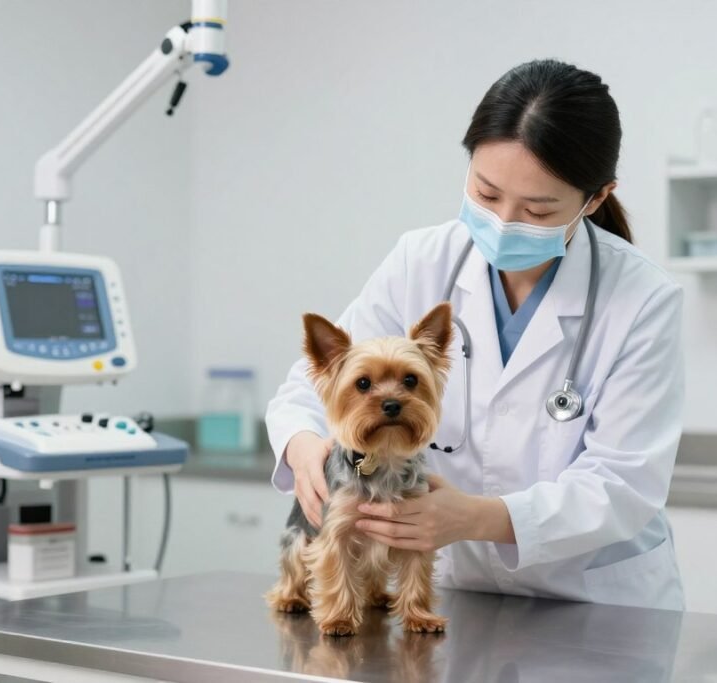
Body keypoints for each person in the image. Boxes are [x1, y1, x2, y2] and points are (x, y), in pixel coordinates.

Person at [266, 59, 685, 610]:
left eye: (538, 209)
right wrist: (302, 448)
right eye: (487, 194)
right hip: (459, 598)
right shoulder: (422, 260)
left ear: (596, 198)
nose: (506, 221)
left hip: (593, 602)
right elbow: (309, 386)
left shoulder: (642, 299)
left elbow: (623, 484)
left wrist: (479, 517)